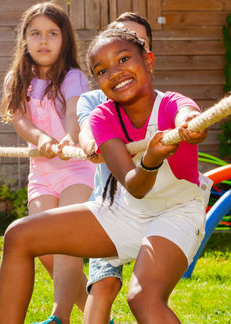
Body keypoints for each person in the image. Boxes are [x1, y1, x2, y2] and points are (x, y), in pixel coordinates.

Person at [0, 28, 212, 324]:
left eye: (124, 59)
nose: (115, 72)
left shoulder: (173, 103)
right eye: (102, 70)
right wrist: (150, 159)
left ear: (148, 61)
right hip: (127, 208)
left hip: (177, 213)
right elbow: (135, 186)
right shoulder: (103, 117)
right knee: (18, 235)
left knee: (143, 297)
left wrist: (190, 124)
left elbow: (188, 118)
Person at [0, 2, 96, 323]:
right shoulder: (17, 79)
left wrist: (70, 137)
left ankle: (59, 317)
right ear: (24, 39)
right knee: (45, 250)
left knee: (66, 244)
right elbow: (19, 120)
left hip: (76, 171)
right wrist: (41, 139)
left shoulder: (73, 77)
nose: (44, 41)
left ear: (64, 39)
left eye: (52, 34)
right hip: (41, 176)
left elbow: (74, 112)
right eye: (36, 33)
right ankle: (100, 316)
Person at [77, 12, 153, 323]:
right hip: (111, 204)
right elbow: (85, 131)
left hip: (155, 205)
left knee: (147, 292)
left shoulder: (158, 100)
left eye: (135, 42)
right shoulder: (94, 99)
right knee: (104, 284)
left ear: (146, 56)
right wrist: (91, 143)